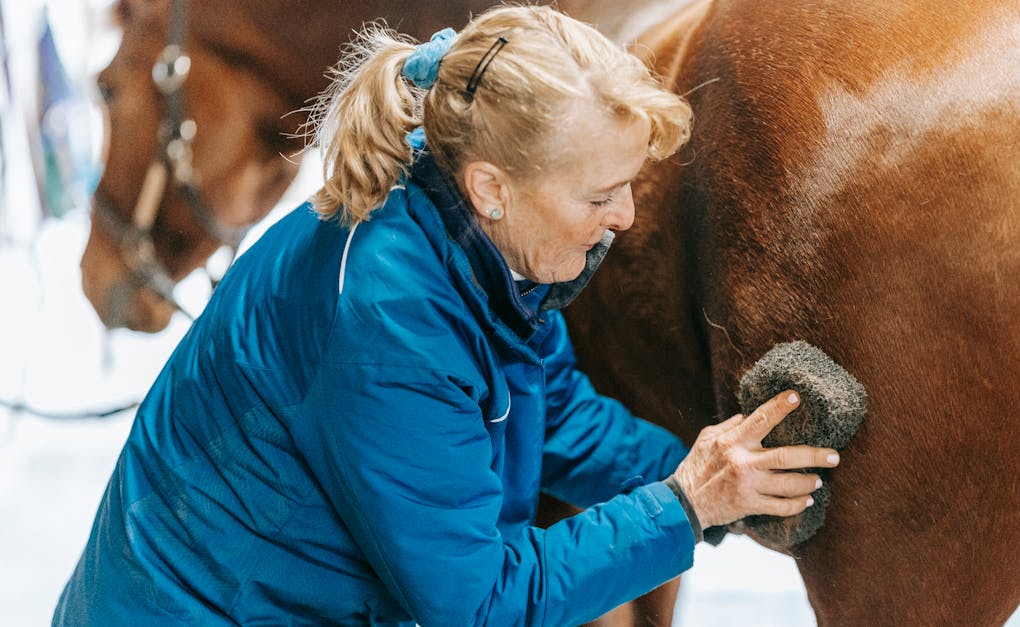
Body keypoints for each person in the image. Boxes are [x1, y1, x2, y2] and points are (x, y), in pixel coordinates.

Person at [54, 6, 840, 625]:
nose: (626, 216)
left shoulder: (483, 246)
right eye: (600, 194)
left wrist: (731, 480)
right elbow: (480, 604)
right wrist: (686, 503)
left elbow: (561, 418)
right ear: (495, 186)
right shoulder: (391, 321)